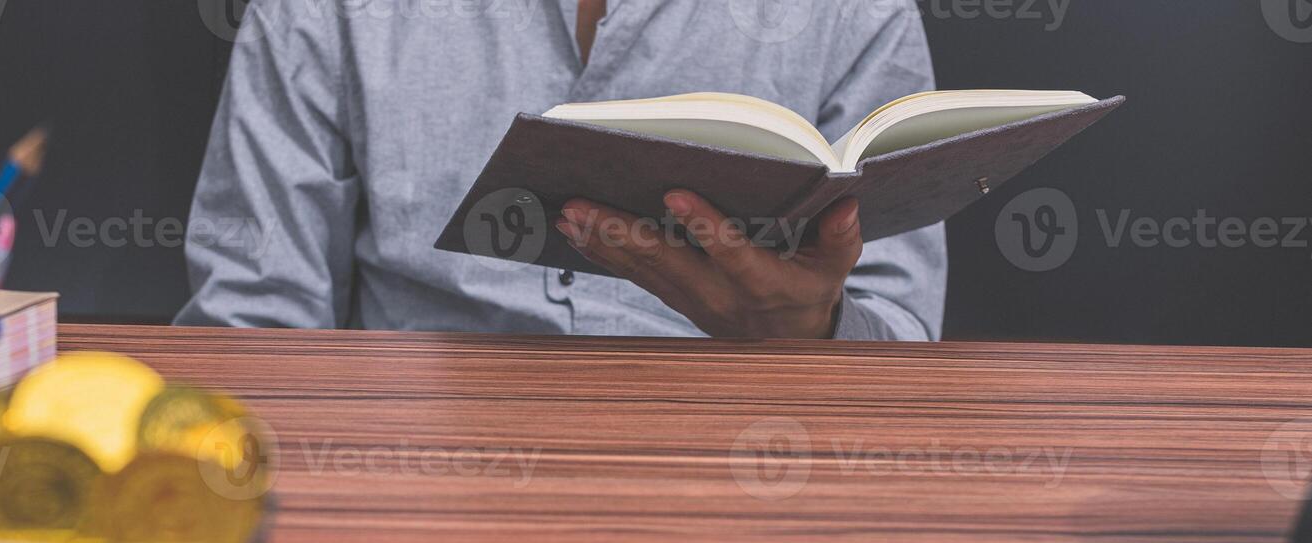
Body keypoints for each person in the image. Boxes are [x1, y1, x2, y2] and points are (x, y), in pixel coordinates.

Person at [178, 0, 945, 341]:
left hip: (751, 472)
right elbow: (253, 323)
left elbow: (900, 331)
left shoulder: (854, 11)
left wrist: (815, 332)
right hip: (412, 483)